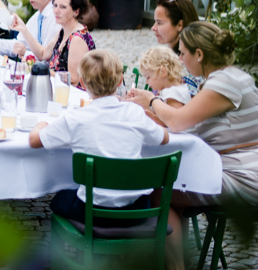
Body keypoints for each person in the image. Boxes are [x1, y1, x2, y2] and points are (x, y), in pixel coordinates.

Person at [125, 22, 258, 270]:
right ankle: (182, 267)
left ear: (200, 54)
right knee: (172, 188)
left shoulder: (224, 82)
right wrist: (151, 114)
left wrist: (151, 99)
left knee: (159, 192)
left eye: (183, 53)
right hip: (235, 167)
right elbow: (186, 127)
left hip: (245, 175)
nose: (180, 59)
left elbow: (178, 121)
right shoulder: (223, 79)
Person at [29, 50, 169, 227]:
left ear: (82, 82)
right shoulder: (134, 112)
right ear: (119, 82)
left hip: (93, 210)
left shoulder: (75, 118)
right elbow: (163, 138)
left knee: (59, 199)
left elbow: (35, 141)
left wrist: (41, 124)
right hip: (136, 208)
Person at [12, 0, 95, 88]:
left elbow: (73, 80)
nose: (56, 11)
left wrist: (41, 69)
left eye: (63, 7)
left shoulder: (77, 38)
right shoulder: (63, 30)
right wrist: (23, 29)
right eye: (55, 5)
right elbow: (43, 54)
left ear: (76, 12)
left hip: (75, 97)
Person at [152, 0, 201, 94]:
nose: (153, 27)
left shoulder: (187, 65)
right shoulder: (172, 57)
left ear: (179, 25)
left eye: (159, 23)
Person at [136, 46, 191, 115]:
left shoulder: (172, 93)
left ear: (162, 72)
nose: (146, 82)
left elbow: (171, 119)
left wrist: (149, 114)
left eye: (148, 77)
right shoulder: (178, 88)